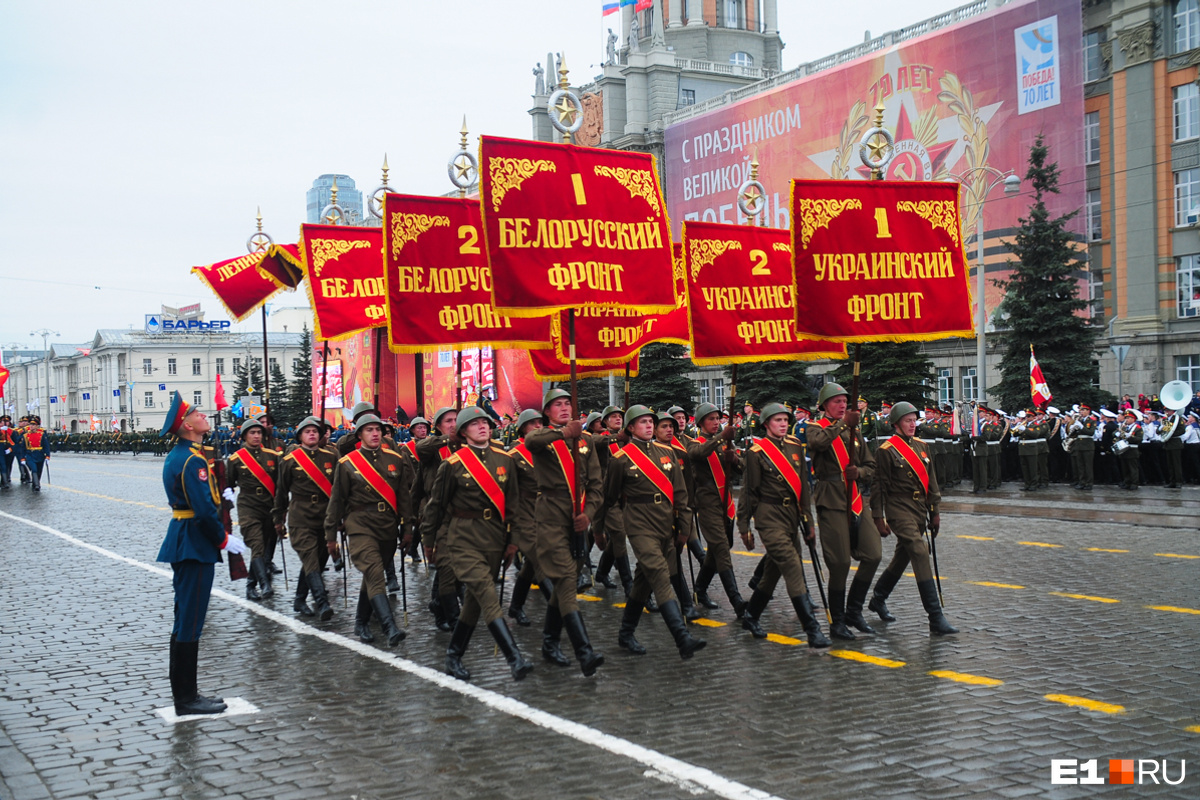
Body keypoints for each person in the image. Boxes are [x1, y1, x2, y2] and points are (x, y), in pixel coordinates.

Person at [421, 407, 532, 681]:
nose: (482, 426)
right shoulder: (453, 465)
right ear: (462, 432)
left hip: (494, 537)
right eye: (474, 423)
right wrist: (429, 541)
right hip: (463, 538)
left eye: (485, 422)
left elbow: (514, 505)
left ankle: (453, 655)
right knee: (487, 593)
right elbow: (436, 506)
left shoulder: (505, 460)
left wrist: (513, 542)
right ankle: (514, 657)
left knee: (473, 603)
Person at [157, 392, 247, 716]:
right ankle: (187, 698)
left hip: (186, 539)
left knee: (185, 620)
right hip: (194, 542)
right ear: (187, 425)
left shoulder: (182, 455)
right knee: (191, 621)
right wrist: (224, 540)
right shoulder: (193, 460)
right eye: (198, 413)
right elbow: (203, 511)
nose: (204, 415)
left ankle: (186, 693)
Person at [597, 406, 705, 659]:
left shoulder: (667, 453)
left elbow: (681, 495)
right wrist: (599, 529)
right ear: (630, 428)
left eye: (650, 422)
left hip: (665, 524)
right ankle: (682, 637)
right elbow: (609, 498)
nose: (647, 426)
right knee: (659, 574)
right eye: (642, 422)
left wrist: (683, 528)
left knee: (643, 582)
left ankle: (625, 633)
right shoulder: (620, 459)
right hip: (638, 524)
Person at [736, 402, 830, 648]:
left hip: (792, 515)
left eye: (785, 420)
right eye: (778, 420)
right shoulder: (756, 452)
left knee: (772, 572)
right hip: (769, 516)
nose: (783, 424)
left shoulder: (795, 446)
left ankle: (751, 616)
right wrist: (744, 525)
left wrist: (808, 521)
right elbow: (748, 492)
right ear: (766, 424)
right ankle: (812, 629)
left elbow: (803, 488)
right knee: (791, 565)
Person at [525, 389, 605, 676]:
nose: (563, 408)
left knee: (562, 585)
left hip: (577, 517)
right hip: (549, 519)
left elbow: (596, 484)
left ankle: (549, 642)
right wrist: (562, 434)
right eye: (556, 404)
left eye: (567, 403)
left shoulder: (585, 441)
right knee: (567, 580)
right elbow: (531, 441)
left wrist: (589, 515)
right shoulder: (545, 437)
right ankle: (584, 652)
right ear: (546, 412)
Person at [867, 402, 956, 635]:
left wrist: (935, 512)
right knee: (919, 550)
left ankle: (878, 598)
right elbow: (879, 486)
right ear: (896, 423)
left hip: (919, 509)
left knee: (903, 556)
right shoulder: (886, 450)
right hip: (898, 509)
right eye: (908, 420)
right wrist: (878, 517)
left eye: (914, 420)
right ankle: (935, 617)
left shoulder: (922, 447)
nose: (913, 424)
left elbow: (931, 481)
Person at [325, 414, 413, 647]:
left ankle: (361, 621)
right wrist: (331, 536)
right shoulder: (347, 464)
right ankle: (389, 627)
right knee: (375, 574)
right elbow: (336, 501)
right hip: (359, 525)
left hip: (387, 526)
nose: (375, 434)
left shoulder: (395, 459)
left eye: (378, 430)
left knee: (372, 575)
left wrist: (408, 529)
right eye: (369, 430)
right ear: (359, 435)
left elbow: (403, 497)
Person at [806, 383, 882, 640]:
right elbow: (819, 443)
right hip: (831, 499)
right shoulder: (815, 427)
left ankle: (854, 611)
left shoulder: (856, 432)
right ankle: (837, 621)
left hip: (856, 500)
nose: (842, 406)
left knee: (873, 554)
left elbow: (871, 466)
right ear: (824, 405)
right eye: (837, 401)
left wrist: (859, 473)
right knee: (839, 563)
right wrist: (842, 425)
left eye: (844, 402)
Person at [273, 416, 338, 621]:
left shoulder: (330, 457)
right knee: (309, 558)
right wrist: (278, 518)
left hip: (325, 517)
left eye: (315, 431)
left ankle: (300, 599)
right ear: (300, 436)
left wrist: (341, 517)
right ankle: (322, 602)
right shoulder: (290, 461)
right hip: (300, 517)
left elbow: (338, 491)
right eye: (307, 431)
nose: (312, 434)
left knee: (318, 560)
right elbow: (281, 492)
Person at [687, 402, 745, 616]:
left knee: (721, 546)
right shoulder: (696, 442)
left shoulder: (724, 443)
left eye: (717, 418)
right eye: (710, 419)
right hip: (707, 501)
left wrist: (735, 459)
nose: (715, 422)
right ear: (701, 422)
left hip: (726, 500)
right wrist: (722, 437)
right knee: (720, 547)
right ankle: (737, 601)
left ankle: (700, 589)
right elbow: (699, 453)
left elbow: (741, 469)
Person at [418, 407, 463, 632]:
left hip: (460, 514)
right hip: (437, 514)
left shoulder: (465, 446)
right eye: (448, 421)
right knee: (447, 565)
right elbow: (421, 447)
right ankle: (449, 615)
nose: (453, 424)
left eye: (457, 420)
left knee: (451, 565)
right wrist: (447, 439)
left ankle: (438, 604)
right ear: (438, 426)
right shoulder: (433, 448)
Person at [226, 418, 280, 600]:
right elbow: (229, 483)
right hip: (248, 505)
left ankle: (251, 586)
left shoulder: (272, 456)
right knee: (256, 544)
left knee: (263, 546)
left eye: (259, 433)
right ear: (244, 436)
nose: (256, 436)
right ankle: (265, 585)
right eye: (252, 433)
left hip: (269, 505)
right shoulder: (235, 459)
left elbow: (280, 484)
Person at [15, 415, 51, 491]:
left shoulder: (42, 434)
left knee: (39, 470)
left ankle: (35, 483)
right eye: (30, 424)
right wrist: (22, 458)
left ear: (37, 426)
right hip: (30, 455)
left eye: (33, 425)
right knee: (34, 469)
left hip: (39, 454)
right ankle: (37, 485)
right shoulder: (25, 435)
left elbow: (46, 446)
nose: (31, 426)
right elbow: (22, 448)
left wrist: (47, 456)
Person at [1068, 404, 1097, 490]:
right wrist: (1073, 429)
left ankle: (1088, 483)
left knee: (1087, 465)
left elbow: (1091, 432)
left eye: (1083, 410)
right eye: (1081, 410)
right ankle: (1082, 482)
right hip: (1079, 445)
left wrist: (1081, 427)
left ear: (1088, 411)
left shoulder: (1091, 420)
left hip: (1087, 445)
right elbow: (1073, 434)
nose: (1081, 412)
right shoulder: (1079, 420)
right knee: (1080, 466)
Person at [1116, 409, 1143, 489]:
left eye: (1128, 418)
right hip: (1124, 449)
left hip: (1132, 449)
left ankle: (1134, 483)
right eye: (1126, 418)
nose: (1126, 420)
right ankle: (1127, 482)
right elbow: (1117, 434)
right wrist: (1118, 434)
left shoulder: (1137, 428)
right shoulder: (1124, 427)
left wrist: (1130, 436)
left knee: (1133, 468)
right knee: (1125, 468)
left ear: (1133, 419)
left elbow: (1139, 439)